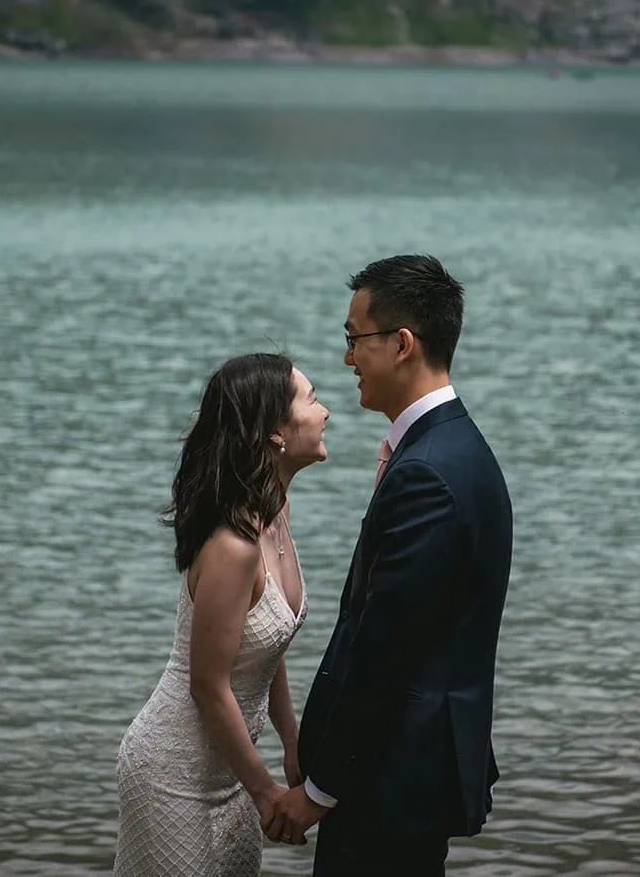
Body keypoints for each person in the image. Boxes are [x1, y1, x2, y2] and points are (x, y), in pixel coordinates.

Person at [268, 254, 514, 876]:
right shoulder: (456, 449)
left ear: (402, 344)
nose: (347, 357)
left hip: (390, 777)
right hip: (408, 772)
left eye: (354, 339)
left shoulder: (428, 473)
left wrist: (321, 791)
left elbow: (384, 647)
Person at [114, 353, 330, 876]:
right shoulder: (234, 545)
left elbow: (265, 642)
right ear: (275, 433)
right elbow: (208, 685)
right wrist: (267, 793)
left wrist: (291, 737)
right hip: (174, 774)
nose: (325, 412)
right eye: (312, 399)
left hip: (233, 768)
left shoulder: (275, 511)